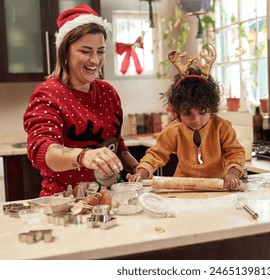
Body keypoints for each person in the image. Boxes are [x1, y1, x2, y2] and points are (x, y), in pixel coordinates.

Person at [23, 4, 139, 196]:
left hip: (110, 200)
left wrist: (138, 169)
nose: (95, 60)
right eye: (85, 51)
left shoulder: (107, 92)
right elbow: (42, 151)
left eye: (100, 51)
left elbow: (115, 143)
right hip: (65, 203)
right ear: (65, 53)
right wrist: (84, 156)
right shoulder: (48, 94)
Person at [127, 45, 246, 190]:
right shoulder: (173, 131)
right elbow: (156, 154)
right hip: (182, 189)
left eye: (202, 112)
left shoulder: (222, 128)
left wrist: (233, 174)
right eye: (188, 113)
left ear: (212, 108)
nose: (196, 120)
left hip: (218, 187)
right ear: (177, 111)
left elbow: (235, 153)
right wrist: (141, 172)